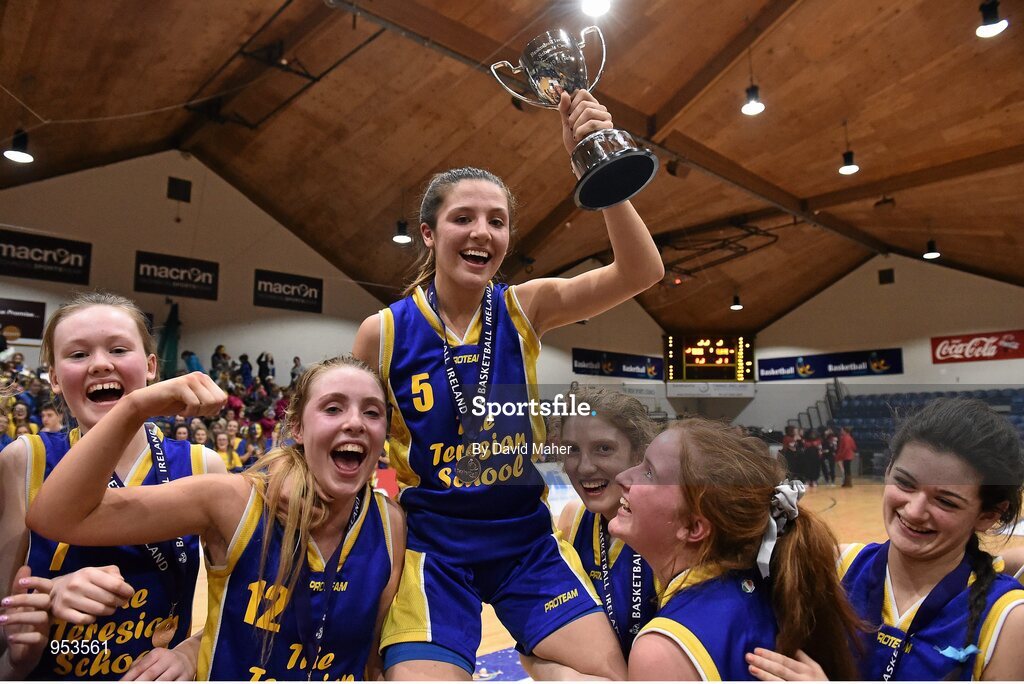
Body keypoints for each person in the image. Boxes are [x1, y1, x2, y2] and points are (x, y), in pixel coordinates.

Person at [352, 89, 664, 680]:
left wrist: (599, 166)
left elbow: (642, 271)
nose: (482, 232)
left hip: (526, 544)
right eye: (462, 218)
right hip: (433, 552)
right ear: (428, 233)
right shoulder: (382, 333)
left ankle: (538, 664)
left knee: (611, 679)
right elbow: (357, 454)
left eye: (497, 221)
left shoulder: (525, 307)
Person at [25, 356, 405, 680]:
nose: (355, 422)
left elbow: (372, 658)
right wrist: (134, 408)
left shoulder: (390, 523)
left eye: (371, 412)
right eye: (333, 408)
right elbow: (55, 517)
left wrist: (189, 651)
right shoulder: (235, 499)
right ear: (297, 428)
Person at [0, 291, 226, 680]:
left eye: (119, 349)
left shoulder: (200, 464)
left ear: (151, 366)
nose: (101, 364)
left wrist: (192, 652)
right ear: (54, 377)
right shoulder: (25, 459)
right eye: (77, 355)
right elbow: (6, 632)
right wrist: (44, 605)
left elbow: (237, 604)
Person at [745, 398, 1024, 680]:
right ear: (888, 469)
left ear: (988, 515)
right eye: (904, 483)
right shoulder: (836, 565)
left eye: (945, 501)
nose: (914, 511)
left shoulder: (1009, 622)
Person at [614, 418, 863, 681]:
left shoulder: (662, 651)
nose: (622, 477)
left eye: (649, 473)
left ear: (693, 526)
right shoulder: (767, 587)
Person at [522, 387, 658, 678]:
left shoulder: (670, 528)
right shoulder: (573, 519)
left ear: (638, 452)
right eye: (572, 449)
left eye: (603, 448)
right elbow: (529, 650)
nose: (584, 467)